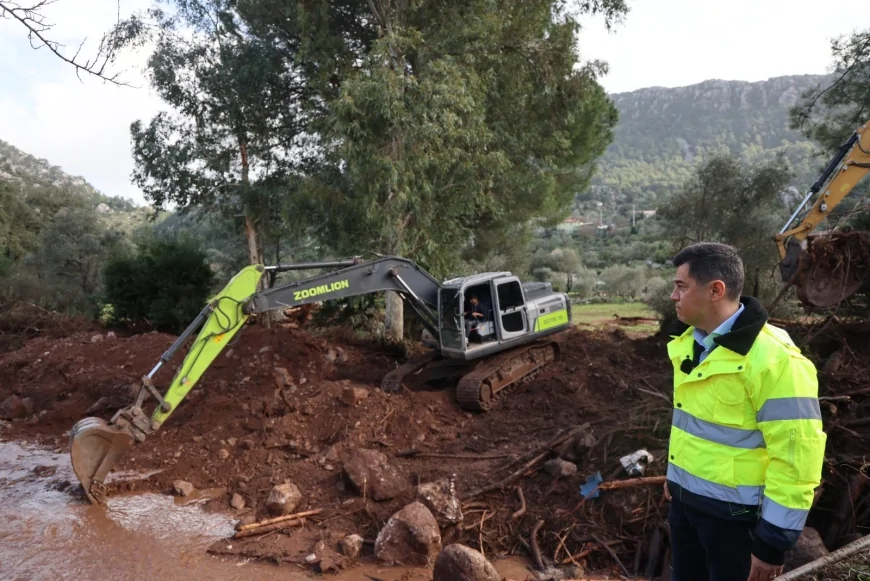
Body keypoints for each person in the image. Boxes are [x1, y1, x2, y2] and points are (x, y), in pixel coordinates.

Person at [663, 242, 826, 581]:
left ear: (715, 290)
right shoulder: (689, 344)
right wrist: (676, 480)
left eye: (681, 286)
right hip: (685, 508)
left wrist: (773, 541)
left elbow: (796, 459)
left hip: (737, 524)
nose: (673, 296)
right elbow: (693, 426)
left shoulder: (776, 361)